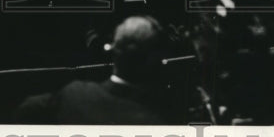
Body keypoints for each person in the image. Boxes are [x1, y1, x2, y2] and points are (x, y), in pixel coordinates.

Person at [14, 16, 173, 123]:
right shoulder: (151, 122)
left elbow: (27, 108)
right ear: (154, 61)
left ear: (114, 52)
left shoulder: (73, 93)